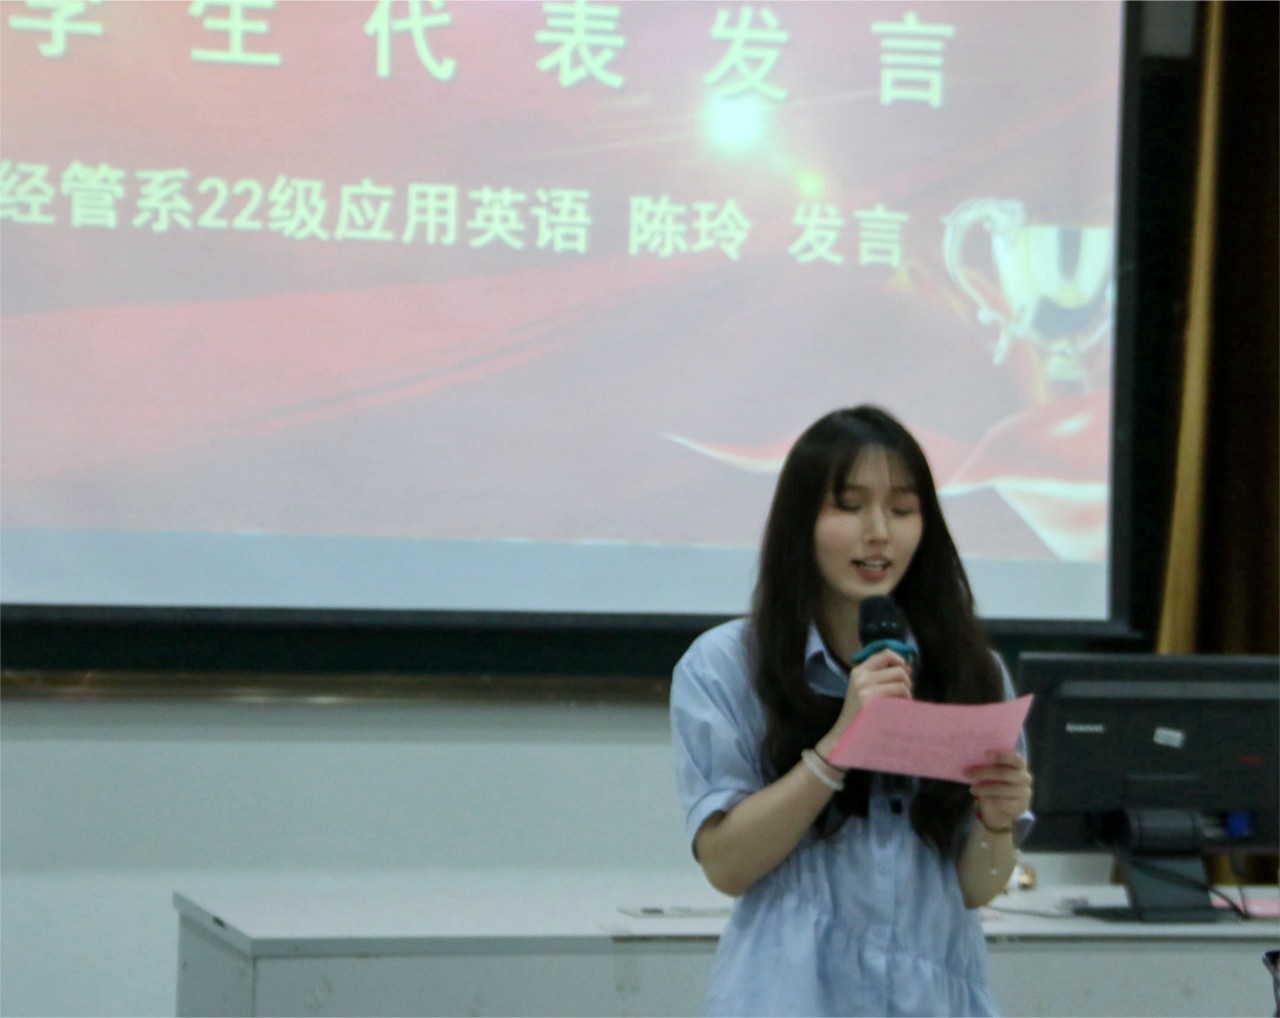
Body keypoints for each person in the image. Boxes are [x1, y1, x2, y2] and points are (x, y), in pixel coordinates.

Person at [670, 405, 1034, 1017]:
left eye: (902, 509)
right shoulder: (725, 665)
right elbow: (726, 866)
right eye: (849, 506)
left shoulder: (972, 671)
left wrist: (997, 823)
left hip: (933, 997)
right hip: (789, 997)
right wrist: (842, 742)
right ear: (801, 522)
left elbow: (976, 888)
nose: (879, 532)